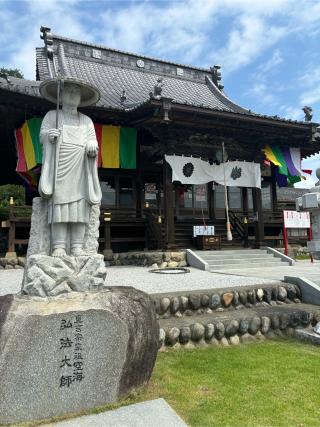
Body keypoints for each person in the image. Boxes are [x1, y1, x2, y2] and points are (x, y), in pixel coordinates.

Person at [38, 78, 102, 257]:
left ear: (81, 98)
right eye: (69, 91)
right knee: (58, 204)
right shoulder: (52, 115)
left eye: (76, 92)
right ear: (61, 95)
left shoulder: (87, 120)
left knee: (80, 209)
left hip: (81, 168)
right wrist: (49, 137)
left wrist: (91, 146)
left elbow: (93, 141)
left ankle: (77, 246)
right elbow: (42, 135)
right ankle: (58, 246)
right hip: (60, 165)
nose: (73, 95)